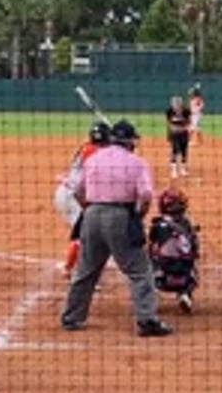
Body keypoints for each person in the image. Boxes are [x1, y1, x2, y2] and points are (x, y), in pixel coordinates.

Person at [59, 120, 173, 338]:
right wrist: (137, 215)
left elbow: (78, 191)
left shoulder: (93, 158)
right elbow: (146, 195)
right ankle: (147, 320)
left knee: (85, 270)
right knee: (139, 271)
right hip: (121, 215)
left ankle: (71, 318)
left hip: (91, 215)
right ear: (130, 141)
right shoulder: (137, 163)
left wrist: (90, 209)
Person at [54, 121, 112, 275]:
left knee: (85, 231)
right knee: (86, 233)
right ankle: (75, 269)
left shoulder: (88, 147)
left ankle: (72, 266)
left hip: (69, 194)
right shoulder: (94, 151)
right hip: (73, 197)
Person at [148, 187, 201, 314]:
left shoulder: (157, 224)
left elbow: (151, 245)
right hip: (186, 276)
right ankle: (184, 294)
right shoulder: (188, 225)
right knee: (192, 263)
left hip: (161, 276)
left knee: (147, 264)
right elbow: (195, 250)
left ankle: (151, 299)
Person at [165, 94, 193, 178]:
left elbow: (189, 121)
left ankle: (183, 169)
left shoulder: (186, 111)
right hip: (175, 134)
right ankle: (174, 170)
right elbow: (168, 122)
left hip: (184, 133)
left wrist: (186, 129)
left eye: (178, 103)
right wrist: (169, 133)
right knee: (175, 150)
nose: (176, 105)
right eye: (175, 103)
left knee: (184, 151)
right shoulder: (169, 111)